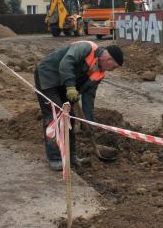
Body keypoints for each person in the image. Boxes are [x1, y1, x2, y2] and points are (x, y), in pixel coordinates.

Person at [34, 41, 124, 171]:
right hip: (48, 76)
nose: (112, 70)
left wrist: (88, 122)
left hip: (65, 86)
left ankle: (71, 156)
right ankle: (55, 158)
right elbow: (66, 63)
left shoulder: (99, 73)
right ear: (108, 59)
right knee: (56, 116)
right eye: (114, 67)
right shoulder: (86, 48)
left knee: (70, 118)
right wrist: (71, 87)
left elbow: (89, 99)